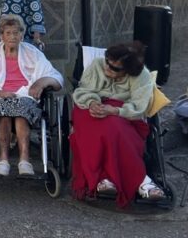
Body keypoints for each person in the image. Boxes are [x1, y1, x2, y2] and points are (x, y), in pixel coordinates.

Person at [70, 41, 165, 206]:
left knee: (114, 128)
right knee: (102, 128)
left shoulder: (141, 76)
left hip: (123, 112)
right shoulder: (97, 64)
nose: (107, 68)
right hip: (89, 106)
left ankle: (108, 178)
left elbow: (139, 106)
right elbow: (83, 90)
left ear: (128, 70)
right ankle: (142, 182)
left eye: (114, 68)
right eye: (107, 62)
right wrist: (92, 103)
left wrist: (115, 111)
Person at [0, 15, 63, 176]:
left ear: (22, 35)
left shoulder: (32, 52)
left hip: (25, 96)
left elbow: (56, 79)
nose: (12, 36)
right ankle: (3, 160)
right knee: (4, 111)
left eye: (16, 33)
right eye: (8, 33)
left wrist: (40, 83)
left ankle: (24, 160)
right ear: (1, 36)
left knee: (21, 110)